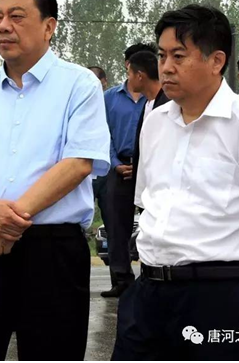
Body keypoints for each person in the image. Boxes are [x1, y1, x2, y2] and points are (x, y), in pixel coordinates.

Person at [0, 0, 110, 361]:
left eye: (16, 16)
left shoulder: (78, 84)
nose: (3, 27)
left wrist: (9, 222)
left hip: (52, 253)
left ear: (49, 26)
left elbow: (78, 162)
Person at [112, 4, 239, 360]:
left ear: (216, 61)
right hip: (148, 294)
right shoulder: (155, 123)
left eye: (179, 56)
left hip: (220, 297)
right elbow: (147, 201)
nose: (166, 67)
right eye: (161, 55)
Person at [101, 43, 151, 297]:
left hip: (148, 169)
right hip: (117, 167)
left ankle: (150, 276)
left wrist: (140, 165)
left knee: (153, 224)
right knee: (116, 226)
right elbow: (103, 133)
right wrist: (115, 163)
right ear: (127, 65)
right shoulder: (109, 98)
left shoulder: (156, 98)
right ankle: (121, 279)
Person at [127, 50, 170, 185]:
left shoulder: (170, 105)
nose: (128, 79)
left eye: (129, 74)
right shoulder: (146, 104)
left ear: (139, 76)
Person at [88, 66, 109, 230]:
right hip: (84, 170)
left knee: (112, 219)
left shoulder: (111, 101)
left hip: (109, 171)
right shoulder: (78, 104)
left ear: (104, 83)